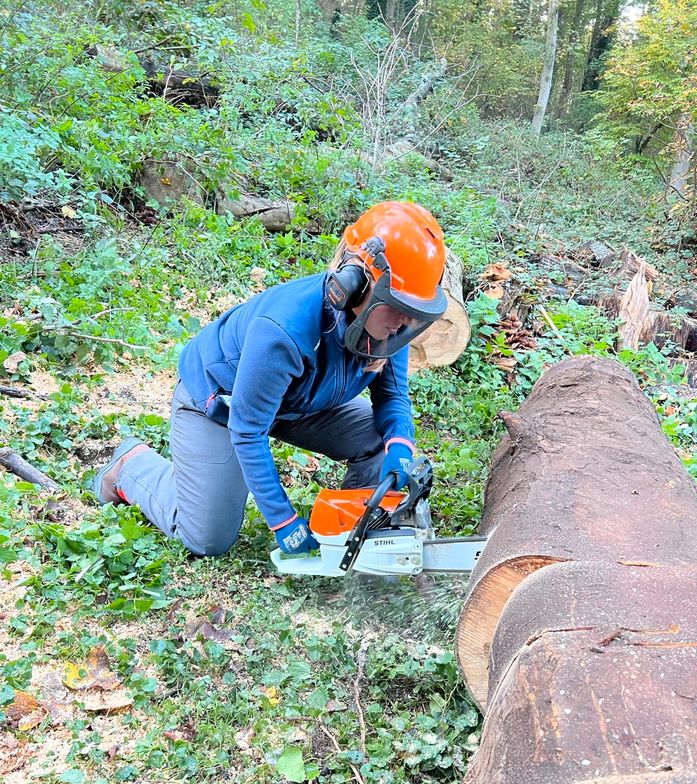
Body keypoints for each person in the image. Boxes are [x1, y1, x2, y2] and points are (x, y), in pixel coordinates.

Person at [93, 201, 448, 558]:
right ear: (355, 283)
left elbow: (393, 397)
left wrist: (400, 445)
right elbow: (248, 431)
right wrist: (284, 522)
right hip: (221, 405)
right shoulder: (284, 331)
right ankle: (131, 467)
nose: (403, 322)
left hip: (297, 403)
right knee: (208, 537)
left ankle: (351, 530)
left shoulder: (387, 328)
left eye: (413, 312)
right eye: (397, 307)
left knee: (381, 439)